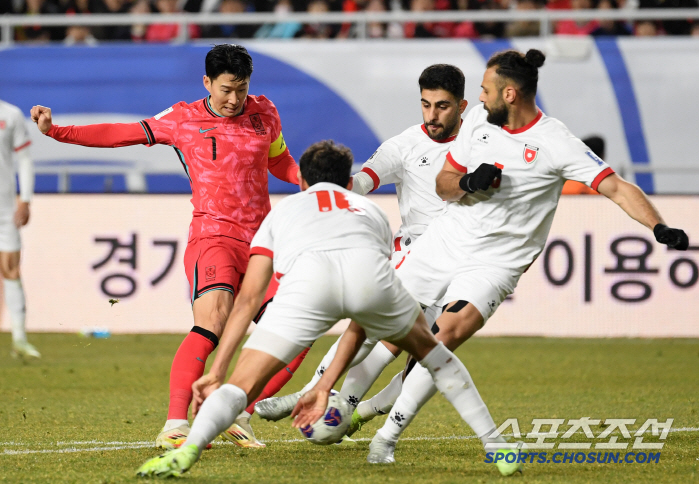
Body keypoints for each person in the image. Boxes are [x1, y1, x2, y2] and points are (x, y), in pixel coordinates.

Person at [363, 48, 689, 464]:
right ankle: (332, 402)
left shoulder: (555, 142)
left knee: (445, 335)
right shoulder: (479, 122)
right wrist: (467, 180)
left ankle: (385, 438)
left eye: (485, 90)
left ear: (510, 94)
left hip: (496, 262)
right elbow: (444, 183)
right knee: (376, 317)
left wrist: (658, 226)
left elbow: (617, 187)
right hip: (446, 240)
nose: (479, 99)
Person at [135, 140, 523, 478]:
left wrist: (217, 370)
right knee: (439, 360)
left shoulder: (283, 211)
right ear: (345, 180)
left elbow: (249, 299)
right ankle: (496, 446)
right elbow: (362, 316)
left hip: (307, 285)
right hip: (368, 279)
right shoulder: (370, 212)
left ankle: (187, 452)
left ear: (302, 180)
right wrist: (325, 386)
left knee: (239, 386)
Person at [30, 44, 302, 449]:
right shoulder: (183, 118)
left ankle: (236, 414)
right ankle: (175, 423)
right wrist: (57, 131)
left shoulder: (265, 113)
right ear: (207, 82)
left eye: (241, 90)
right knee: (213, 322)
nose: (234, 100)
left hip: (263, 242)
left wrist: (310, 180)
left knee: (296, 333)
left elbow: (278, 161)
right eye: (226, 89)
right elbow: (122, 134)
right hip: (214, 237)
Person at [254, 63, 467, 426]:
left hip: (463, 265)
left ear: (462, 106)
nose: (432, 115)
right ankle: (317, 390)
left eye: (442, 106)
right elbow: (361, 183)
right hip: (417, 254)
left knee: (430, 356)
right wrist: (322, 190)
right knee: (375, 329)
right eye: (425, 104)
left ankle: (358, 411)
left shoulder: (481, 140)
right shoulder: (403, 146)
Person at [0, 99, 39, 359]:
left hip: (4, 208)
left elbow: (24, 160)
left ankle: (19, 339)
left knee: (10, 268)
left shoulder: (10, 114)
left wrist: (24, 199)